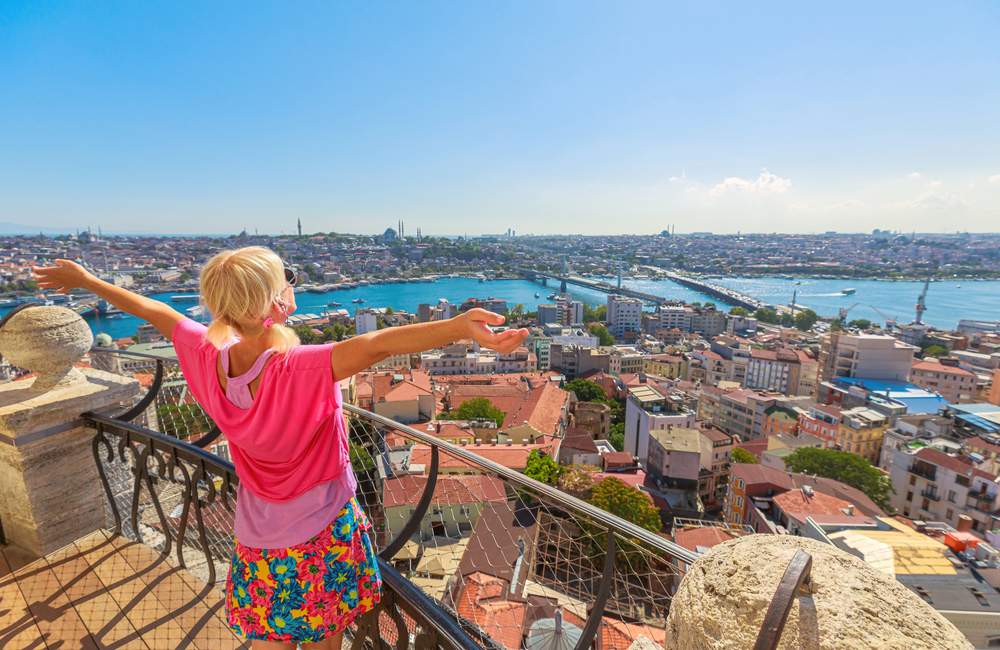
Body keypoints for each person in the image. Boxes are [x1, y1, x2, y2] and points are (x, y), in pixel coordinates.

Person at [33, 247, 528, 649]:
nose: (293, 284)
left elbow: (155, 310)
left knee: (270, 637)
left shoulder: (206, 358)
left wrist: (86, 280)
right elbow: (378, 344)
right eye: (286, 279)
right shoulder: (302, 367)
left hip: (258, 533)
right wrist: (461, 328)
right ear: (274, 304)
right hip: (325, 529)